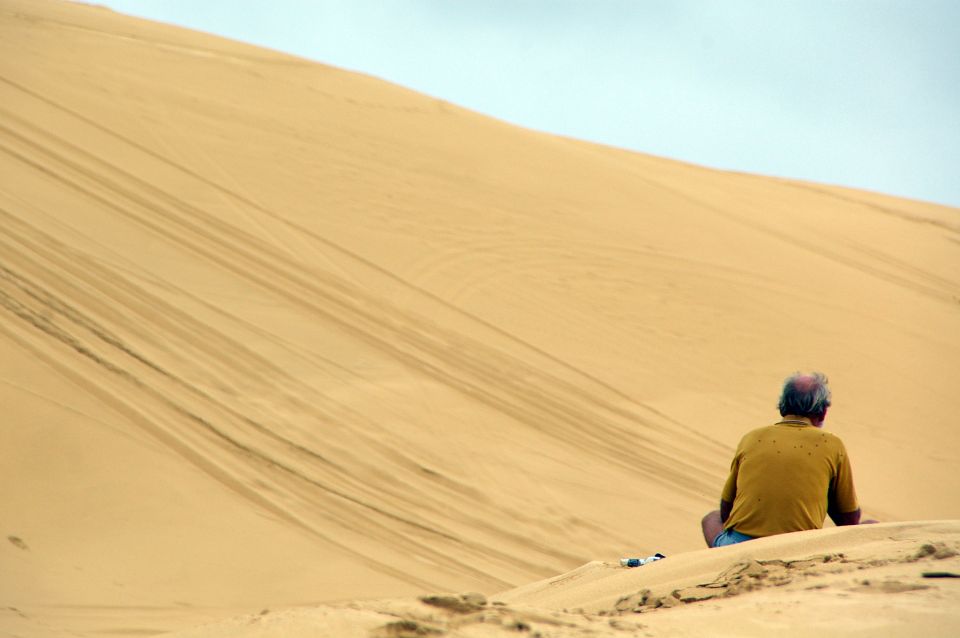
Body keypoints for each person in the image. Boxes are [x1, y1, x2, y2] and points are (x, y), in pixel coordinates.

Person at [701, 372, 871, 548]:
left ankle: (719, 557)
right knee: (872, 527)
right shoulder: (832, 445)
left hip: (739, 548)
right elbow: (850, 521)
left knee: (711, 519)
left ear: (782, 407)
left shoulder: (751, 438)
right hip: (798, 550)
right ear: (822, 413)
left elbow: (725, 510)